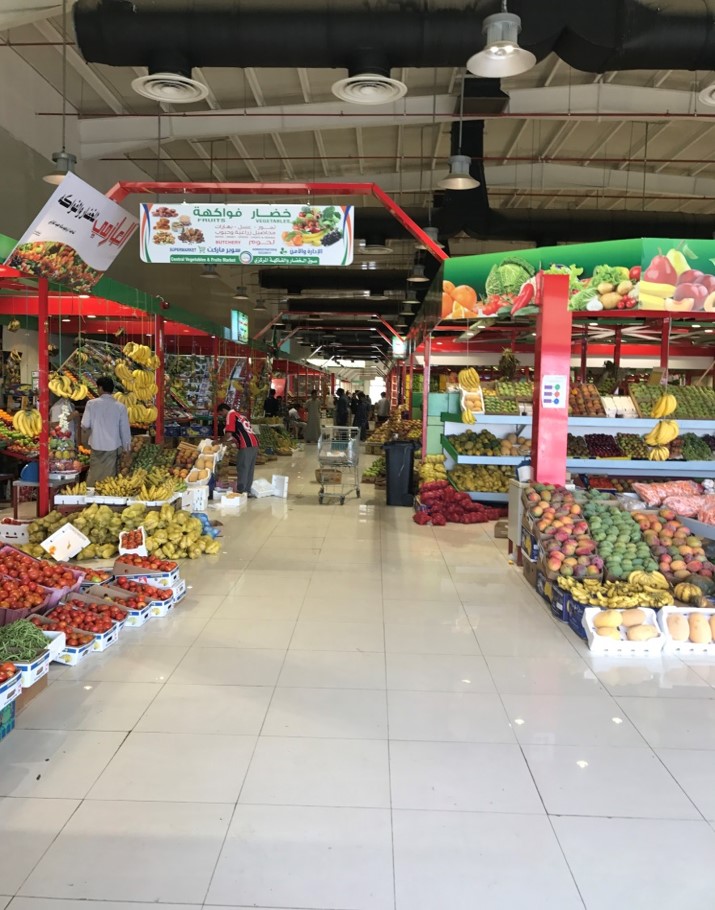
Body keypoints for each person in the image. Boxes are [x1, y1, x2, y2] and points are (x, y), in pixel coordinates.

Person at [81, 376, 131, 486]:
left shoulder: (91, 404)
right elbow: (125, 430)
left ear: (100, 388)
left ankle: (92, 493)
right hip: (112, 448)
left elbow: (85, 424)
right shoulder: (120, 407)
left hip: (96, 446)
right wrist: (127, 449)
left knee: (94, 474)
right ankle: (106, 494)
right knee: (109, 478)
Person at [225, 404, 259, 497]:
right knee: (249, 469)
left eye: (221, 413)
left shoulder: (230, 414)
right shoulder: (241, 416)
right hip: (254, 443)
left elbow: (228, 434)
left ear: (224, 410)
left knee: (243, 467)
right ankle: (247, 490)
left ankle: (241, 491)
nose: (222, 416)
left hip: (246, 444)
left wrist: (219, 442)